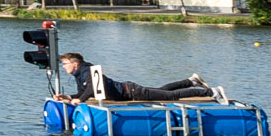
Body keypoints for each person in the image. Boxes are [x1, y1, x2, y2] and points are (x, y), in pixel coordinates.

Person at [58, 51, 214, 105]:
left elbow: (93, 88)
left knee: (170, 96)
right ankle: (191, 81)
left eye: (65, 63)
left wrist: (82, 99)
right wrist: (69, 96)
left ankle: (210, 93)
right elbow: (83, 92)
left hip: (132, 92)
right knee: (162, 91)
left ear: (75, 64)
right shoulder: (79, 74)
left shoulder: (87, 71)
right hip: (130, 89)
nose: (64, 66)